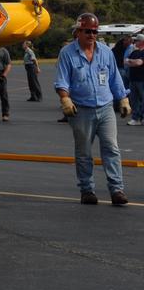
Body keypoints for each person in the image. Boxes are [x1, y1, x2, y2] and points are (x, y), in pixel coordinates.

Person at [53, 13, 131, 206]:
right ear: (78, 31)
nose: (91, 35)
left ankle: (117, 189)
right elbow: (62, 80)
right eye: (87, 31)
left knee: (111, 148)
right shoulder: (67, 53)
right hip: (82, 110)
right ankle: (87, 190)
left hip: (105, 108)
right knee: (84, 152)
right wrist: (65, 99)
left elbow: (114, 78)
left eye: (94, 31)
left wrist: (123, 99)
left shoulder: (106, 52)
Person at [124, 33, 144, 126]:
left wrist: (131, 61)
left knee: (142, 99)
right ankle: (136, 118)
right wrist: (133, 62)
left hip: (141, 79)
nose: (135, 42)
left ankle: (141, 117)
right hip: (133, 79)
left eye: (137, 40)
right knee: (134, 100)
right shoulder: (134, 52)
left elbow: (139, 63)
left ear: (141, 42)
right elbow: (125, 61)